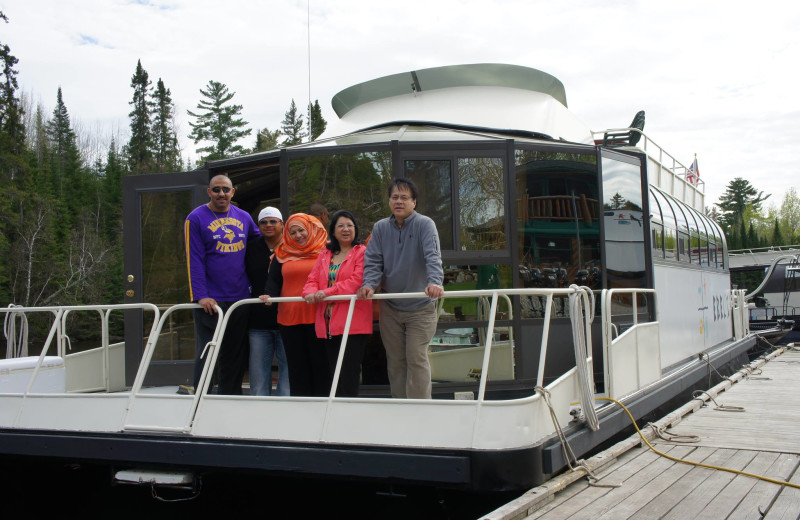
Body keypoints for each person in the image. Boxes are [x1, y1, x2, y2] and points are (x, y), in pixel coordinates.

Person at [357, 178, 444, 399]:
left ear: (414, 202)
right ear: (389, 201)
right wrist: (369, 284)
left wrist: (435, 282)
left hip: (421, 307)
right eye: (394, 197)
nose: (399, 201)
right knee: (395, 360)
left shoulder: (425, 224)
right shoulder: (380, 228)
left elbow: (432, 257)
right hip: (391, 306)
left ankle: (420, 411)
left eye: (404, 197)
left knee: (416, 357)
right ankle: (400, 406)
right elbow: (373, 261)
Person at [185, 174, 261, 395]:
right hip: (211, 301)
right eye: (216, 190)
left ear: (232, 192)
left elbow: (260, 245)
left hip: (239, 297)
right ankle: (202, 398)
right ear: (209, 192)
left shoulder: (245, 217)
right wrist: (201, 295)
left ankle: (230, 397)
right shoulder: (196, 218)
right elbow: (194, 260)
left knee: (234, 352)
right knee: (207, 350)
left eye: (226, 190)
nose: (221, 194)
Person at [303, 210, 372, 397]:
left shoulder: (362, 252)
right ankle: (337, 414)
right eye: (341, 226)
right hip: (328, 324)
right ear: (333, 231)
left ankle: (348, 415)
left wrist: (325, 293)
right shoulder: (325, 253)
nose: (346, 229)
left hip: (352, 324)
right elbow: (312, 279)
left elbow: (356, 282)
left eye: (350, 225)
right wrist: (309, 293)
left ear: (356, 229)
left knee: (349, 373)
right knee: (334, 373)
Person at [261, 214, 330, 397]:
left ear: (311, 229)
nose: (298, 235)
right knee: (296, 366)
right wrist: (269, 295)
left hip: (319, 316)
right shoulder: (282, 253)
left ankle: (323, 409)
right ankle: (301, 410)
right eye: (293, 232)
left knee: (321, 364)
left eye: (301, 230)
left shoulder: (327, 251)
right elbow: (274, 281)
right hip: (290, 317)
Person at [245, 206, 289, 396]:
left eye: (273, 221)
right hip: (258, 321)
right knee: (258, 373)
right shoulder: (251, 248)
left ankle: (285, 411)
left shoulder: (292, 247)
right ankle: (259, 414)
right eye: (263, 222)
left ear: (282, 224)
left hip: (287, 318)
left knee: (288, 370)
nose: (268, 225)